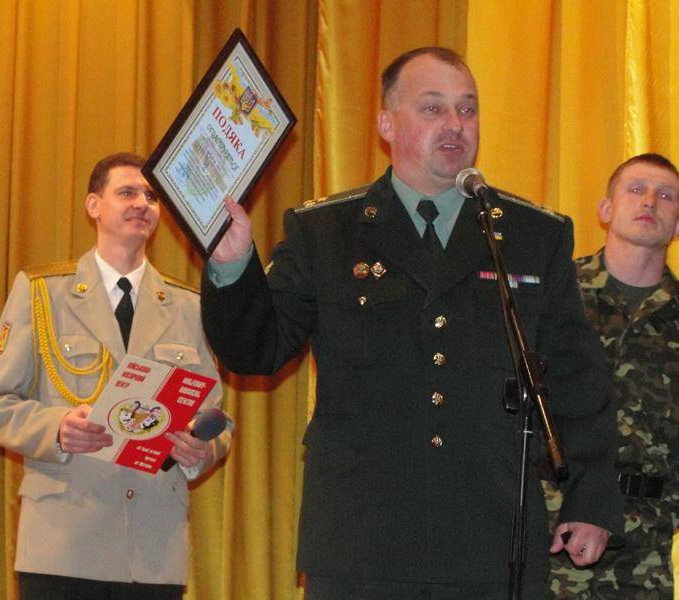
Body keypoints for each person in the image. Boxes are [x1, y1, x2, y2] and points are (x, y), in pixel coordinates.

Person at [202, 47, 621, 598]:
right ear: (386, 124)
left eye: (467, 109)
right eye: (432, 108)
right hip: (362, 541)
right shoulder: (326, 231)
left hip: (492, 540)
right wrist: (233, 265)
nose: (455, 124)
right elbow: (257, 350)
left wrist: (591, 497)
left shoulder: (532, 236)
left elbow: (575, 377)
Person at [0, 153, 231, 599]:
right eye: (127, 192)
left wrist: (199, 450)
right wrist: (57, 428)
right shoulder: (42, 293)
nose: (141, 204)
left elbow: (216, 418)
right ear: (93, 205)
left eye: (151, 196)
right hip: (63, 545)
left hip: (153, 551)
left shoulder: (189, 305)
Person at [545, 153, 679, 598]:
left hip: (638, 557)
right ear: (605, 209)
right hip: (545, 534)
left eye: (666, 196)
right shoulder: (555, 296)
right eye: (636, 190)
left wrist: (643, 518)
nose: (650, 201)